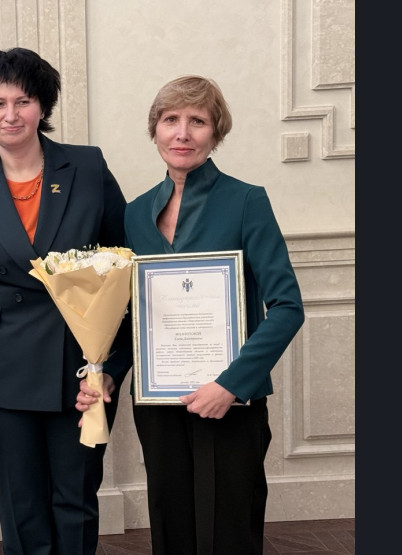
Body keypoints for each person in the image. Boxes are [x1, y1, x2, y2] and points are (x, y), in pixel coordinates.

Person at [77, 75, 305, 554]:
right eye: (170, 120)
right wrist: (110, 373)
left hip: (230, 399)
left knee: (230, 529)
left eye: (197, 121)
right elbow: (134, 314)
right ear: (155, 130)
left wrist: (232, 385)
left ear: (215, 132)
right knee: (171, 522)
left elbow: (287, 307)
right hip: (158, 403)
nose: (182, 133)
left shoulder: (246, 201)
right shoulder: (135, 213)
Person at [0, 47, 130, 554]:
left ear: (43, 106)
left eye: (23, 101)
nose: (11, 115)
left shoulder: (87, 166)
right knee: (22, 509)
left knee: (76, 501)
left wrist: (110, 368)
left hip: (79, 369)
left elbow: (124, 270)